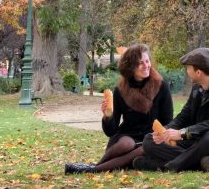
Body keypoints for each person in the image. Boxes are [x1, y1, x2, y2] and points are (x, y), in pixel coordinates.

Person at [65, 43, 173, 174]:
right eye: (140, 63)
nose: (146, 66)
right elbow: (111, 130)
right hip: (127, 135)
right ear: (130, 67)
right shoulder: (120, 90)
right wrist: (107, 116)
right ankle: (95, 165)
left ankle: (92, 169)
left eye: (147, 61)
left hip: (152, 137)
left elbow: (168, 121)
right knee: (126, 144)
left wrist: (161, 138)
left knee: (143, 148)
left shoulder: (161, 86)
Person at [137, 47, 209, 173]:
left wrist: (182, 133)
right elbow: (184, 116)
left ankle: (170, 166)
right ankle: (201, 164)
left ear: (198, 72)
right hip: (196, 143)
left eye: (188, 68)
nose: (187, 71)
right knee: (149, 140)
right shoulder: (197, 89)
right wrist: (165, 132)